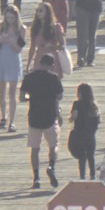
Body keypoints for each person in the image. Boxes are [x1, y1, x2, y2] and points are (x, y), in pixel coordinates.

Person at [20, 50, 63, 190]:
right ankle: (51, 166)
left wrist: (31, 97)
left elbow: (22, 97)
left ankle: (36, 178)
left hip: (34, 117)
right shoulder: (54, 78)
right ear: (51, 65)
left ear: (40, 63)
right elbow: (59, 97)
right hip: (50, 116)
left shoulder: (30, 77)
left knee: (35, 149)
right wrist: (58, 113)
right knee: (53, 145)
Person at [0, 8, 25, 133]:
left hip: (13, 60)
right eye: (8, 18)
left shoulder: (22, 29)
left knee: (12, 93)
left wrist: (11, 40)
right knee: (1, 93)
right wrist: (0, 39)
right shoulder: (1, 27)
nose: (10, 20)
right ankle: (3, 116)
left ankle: (12, 122)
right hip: (1, 59)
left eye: (12, 18)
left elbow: (19, 49)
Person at [67, 81, 100, 178]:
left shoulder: (77, 104)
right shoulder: (94, 105)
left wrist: (70, 119)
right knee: (91, 156)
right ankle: (93, 176)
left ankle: (82, 177)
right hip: (90, 134)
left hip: (79, 133)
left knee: (82, 156)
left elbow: (74, 117)